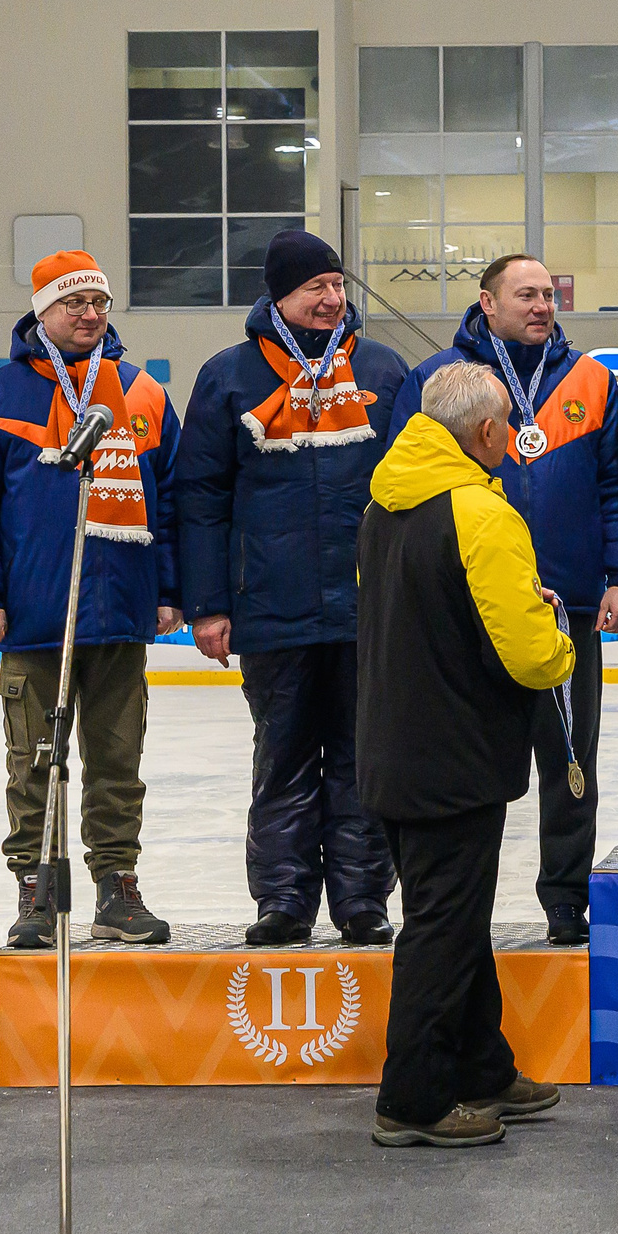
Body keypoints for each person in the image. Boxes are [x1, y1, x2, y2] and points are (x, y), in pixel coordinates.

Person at [356, 362, 575, 1148]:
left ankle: (484, 1067)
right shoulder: (483, 513)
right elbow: (528, 655)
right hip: (454, 755)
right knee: (442, 927)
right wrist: (559, 640)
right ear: (485, 433)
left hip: (391, 744)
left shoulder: (385, 500)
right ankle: (412, 1098)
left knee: (451, 916)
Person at [394, 253, 618, 945]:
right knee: (464, 763)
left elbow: (616, 484)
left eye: (549, 294)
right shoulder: (439, 380)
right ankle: (450, 901)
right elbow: (404, 490)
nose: (542, 305)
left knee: (569, 758)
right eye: (525, 294)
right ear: (488, 302)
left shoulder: (591, 379)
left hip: (564, 610)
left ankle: (566, 898)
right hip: (463, 611)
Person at [175, 229, 409, 950]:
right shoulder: (229, 377)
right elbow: (200, 499)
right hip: (271, 609)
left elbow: (413, 491)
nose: (332, 300)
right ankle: (283, 898)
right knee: (282, 759)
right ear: (279, 295)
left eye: (338, 286)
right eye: (316, 288)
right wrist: (208, 604)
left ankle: (363, 898)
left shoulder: (383, 368)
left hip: (366, 609)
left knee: (361, 756)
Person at [0, 249, 179, 949]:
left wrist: (169, 589)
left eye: (99, 302)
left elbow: (171, 500)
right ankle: (37, 891)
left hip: (119, 613)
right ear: (42, 311)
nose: (89, 314)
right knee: (36, 759)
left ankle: (117, 886)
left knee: (117, 760)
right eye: (73, 302)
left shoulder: (142, 391)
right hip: (34, 615)